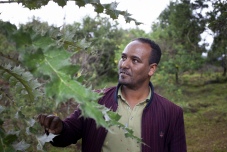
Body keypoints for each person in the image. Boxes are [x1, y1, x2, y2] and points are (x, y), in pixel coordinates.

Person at [38, 37, 187, 152]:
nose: (124, 64)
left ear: (151, 69)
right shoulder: (94, 101)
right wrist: (58, 129)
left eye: (135, 60)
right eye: (123, 57)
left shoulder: (171, 113)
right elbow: (66, 135)